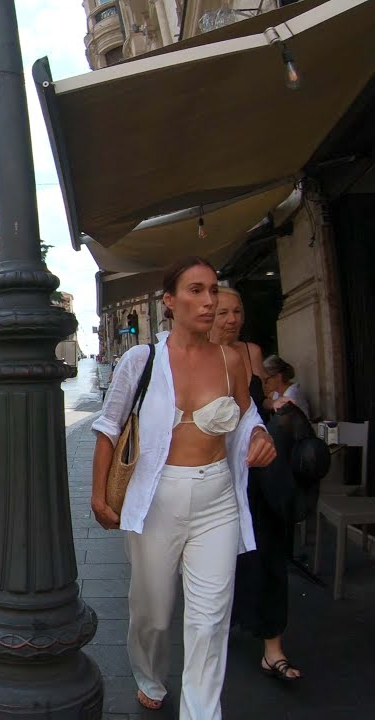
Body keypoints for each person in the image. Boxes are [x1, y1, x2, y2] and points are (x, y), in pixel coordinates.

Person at [91, 256, 277, 718]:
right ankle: (150, 675)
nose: (209, 301)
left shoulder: (232, 360)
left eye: (213, 290)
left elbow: (247, 414)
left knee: (209, 621)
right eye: (196, 290)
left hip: (217, 501)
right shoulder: (142, 360)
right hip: (155, 501)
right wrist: (98, 495)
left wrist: (258, 434)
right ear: (169, 302)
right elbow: (109, 427)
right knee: (152, 615)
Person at [212, 289, 302, 682]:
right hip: (214, 475)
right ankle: (219, 630)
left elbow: (259, 403)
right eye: (223, 312)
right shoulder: (193, 358)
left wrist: (274, 409)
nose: (232, 319)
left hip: (254, 471)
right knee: (219, 561)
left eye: (238, 311)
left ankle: (273, 648)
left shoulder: (250, 352)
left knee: (267, 551)